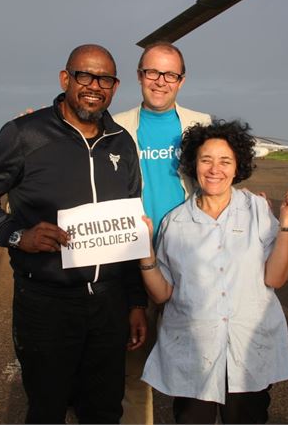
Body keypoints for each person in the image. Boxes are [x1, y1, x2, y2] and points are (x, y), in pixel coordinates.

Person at [0, 44, 148, 424]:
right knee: (47, 409)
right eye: (85, 75)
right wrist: (16, 235)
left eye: (105, 79)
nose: (94, 86)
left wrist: (135, 302)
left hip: (109, 304)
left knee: (105, 410)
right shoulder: (24, 134)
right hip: (47, 304)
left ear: (115, 87)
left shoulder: (122, 141)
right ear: (65, 79)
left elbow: (128, 228)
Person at [137, 120, 288, 423]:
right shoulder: (175, 222)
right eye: (206, 160)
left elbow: (275, 278)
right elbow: (162, 293)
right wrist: (145, 250)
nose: (215, 169)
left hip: (247, 349)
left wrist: (286, 222)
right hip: (193, 351)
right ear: (193, 164)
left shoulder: (257, 210)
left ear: (238, 166)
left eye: (225, 161)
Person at [113, 41, 211, 424]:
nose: (160, 81)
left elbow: (218, 178)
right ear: (139, 75)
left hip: (187, 263)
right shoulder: (115, 125)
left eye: (170, 74)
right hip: (132, 261)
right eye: (152, 72)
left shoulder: (201, 123)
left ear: (181, 80)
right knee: (132, 366)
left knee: (194, 365)